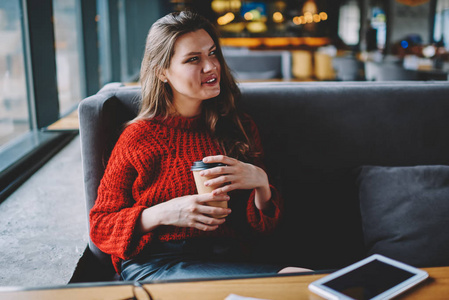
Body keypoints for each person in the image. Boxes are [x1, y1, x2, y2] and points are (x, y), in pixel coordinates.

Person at [89, 10, 309, 281]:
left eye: (213, 53)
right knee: (296, 280)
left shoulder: (238, 126)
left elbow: (265, 228)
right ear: (162, 72)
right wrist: (165, 212)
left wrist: (261, 183)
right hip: (160, 264)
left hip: (231, 258)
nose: (211, 66)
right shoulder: (138, 137)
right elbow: (101, 227)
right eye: (194, 59)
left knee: (302, 280)